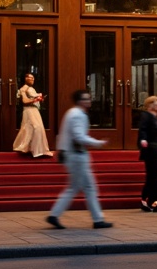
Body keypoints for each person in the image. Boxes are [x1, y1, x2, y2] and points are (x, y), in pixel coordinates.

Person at [46, 89, 112, 230]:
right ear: (80, 101)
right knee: (85, 187)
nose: (89, 101)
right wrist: (98, 143)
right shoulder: (78, 115)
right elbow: (79, 136)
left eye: (89, 98)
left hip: (73, 155)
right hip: (77, 156)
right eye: (86, 99)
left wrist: (61, 149)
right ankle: (97, 219)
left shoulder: (72, 113)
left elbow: (63, 135)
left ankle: (56, 215)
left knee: (78, 187)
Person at [12, 73, 53, 158]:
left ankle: (36, 149)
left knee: (36, 128)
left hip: (34, 110)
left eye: (33, 78)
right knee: (35, 127)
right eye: (31, 78)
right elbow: (25, 101)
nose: (32, 80)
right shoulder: (23, 89)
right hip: (29, 110)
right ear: (26, 78)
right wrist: (35, 100)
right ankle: (29, 148)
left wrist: (38, 99)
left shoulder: (31, 88)